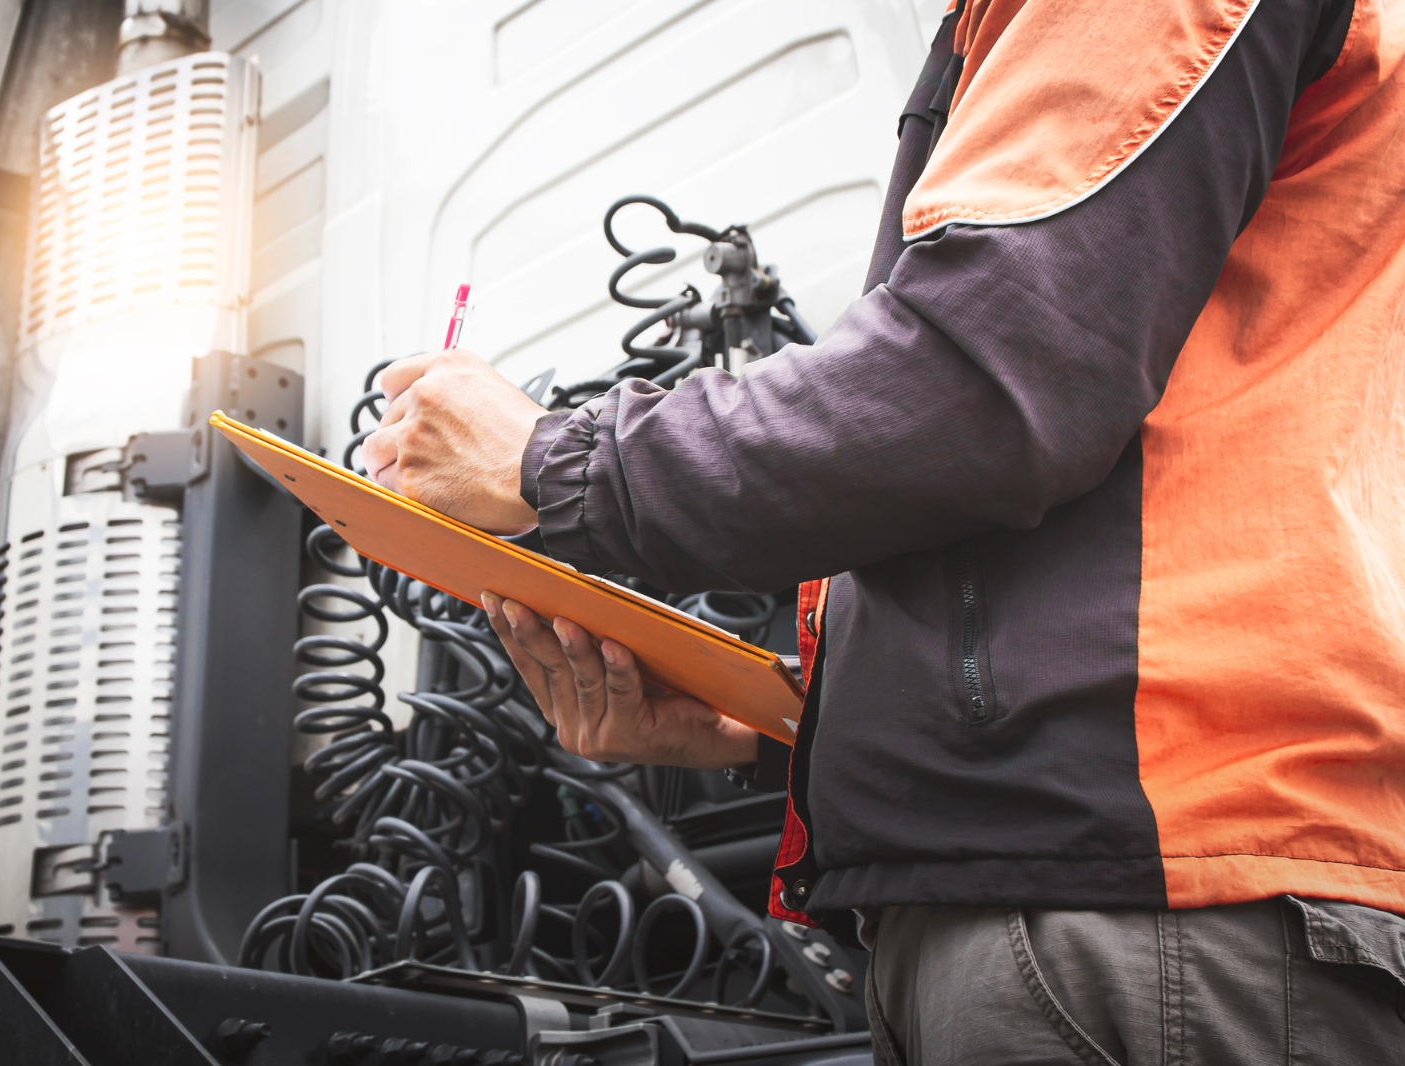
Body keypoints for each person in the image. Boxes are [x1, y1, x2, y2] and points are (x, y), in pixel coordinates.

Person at [360, 1, 1405, 1061]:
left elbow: (976, 388)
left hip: (1142, 900)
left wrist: (548, 459)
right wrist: (771, 730)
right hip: (1099, 897)